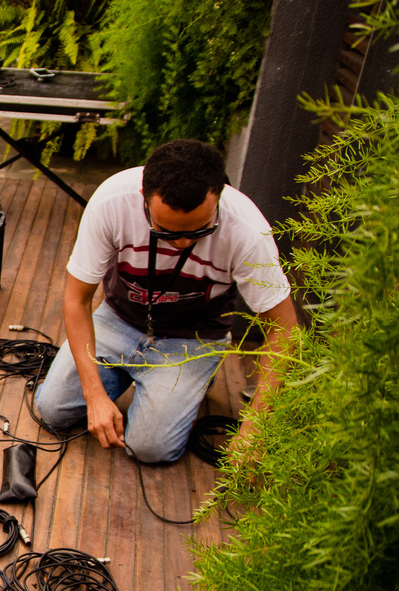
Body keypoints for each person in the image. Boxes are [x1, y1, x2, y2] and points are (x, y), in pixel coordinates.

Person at [34, 138, 298, 463]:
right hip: (118, 320)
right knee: (51, 410)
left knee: (150, 448)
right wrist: (95, 396)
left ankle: (194, 376)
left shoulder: (247, 229)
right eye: (167, 232)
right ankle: (123, 376)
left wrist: (255, 424)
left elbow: (285, 328)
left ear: (218, 197)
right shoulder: (111, 201)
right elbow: (77, 299)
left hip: (193, 338)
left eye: (200, 231)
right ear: (143, 202)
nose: (184, 243)